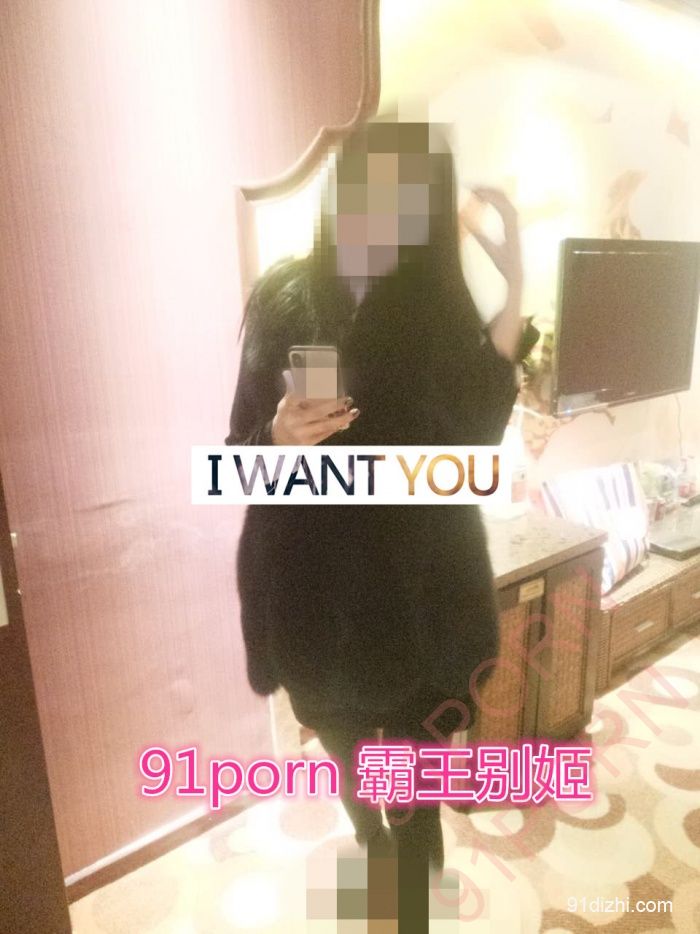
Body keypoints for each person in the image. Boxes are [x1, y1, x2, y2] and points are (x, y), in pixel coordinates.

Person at [224, 118, 538, 927]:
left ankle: (409, 904)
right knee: (359, 792)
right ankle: (374, 858)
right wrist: (277, 439)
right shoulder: (286, 299)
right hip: (312, 610)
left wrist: (514, 291)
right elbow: (236, 462)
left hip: (420, 613)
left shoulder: (436, 309)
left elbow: (475, 435)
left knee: (414, 812)